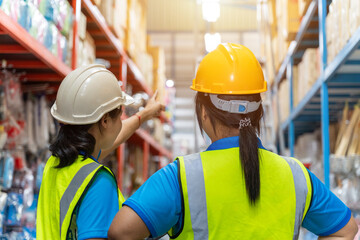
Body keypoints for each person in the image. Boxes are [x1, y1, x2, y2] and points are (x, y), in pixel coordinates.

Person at [108, 43, 358, 240]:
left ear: (204, 113)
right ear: (258, 112)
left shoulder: (181, 177)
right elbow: (345, 230)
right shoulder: (296, 175)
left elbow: (121, 232)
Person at [36, 64, 164, 240]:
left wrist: (145, 115)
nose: (121, 123)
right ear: (105, 121)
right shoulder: (98, 181)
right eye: (120, 116)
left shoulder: (56, 164)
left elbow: (112, 138)